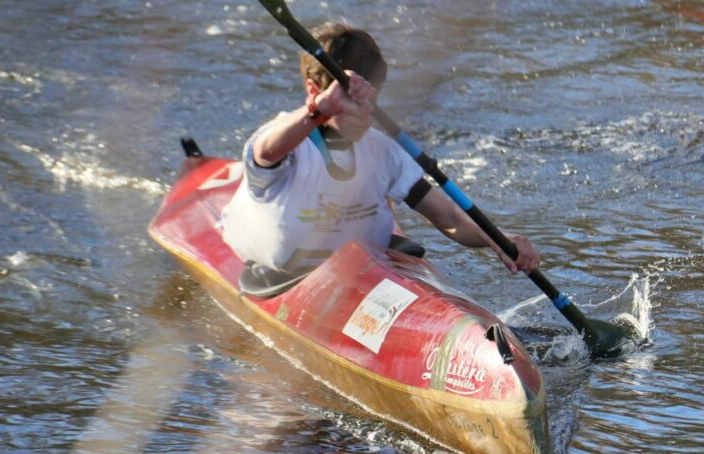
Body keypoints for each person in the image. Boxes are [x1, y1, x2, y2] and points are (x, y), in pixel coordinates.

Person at [220, 22, 539, 291]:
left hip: (365, 278)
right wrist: (320, 110)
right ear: (314, 90)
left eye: (375, 94)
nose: (366, 109)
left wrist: (499, 239)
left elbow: (451, 218)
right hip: (285, 279)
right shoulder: (285, 140)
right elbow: (266, 151)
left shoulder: (384, 151)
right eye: (351, 97)